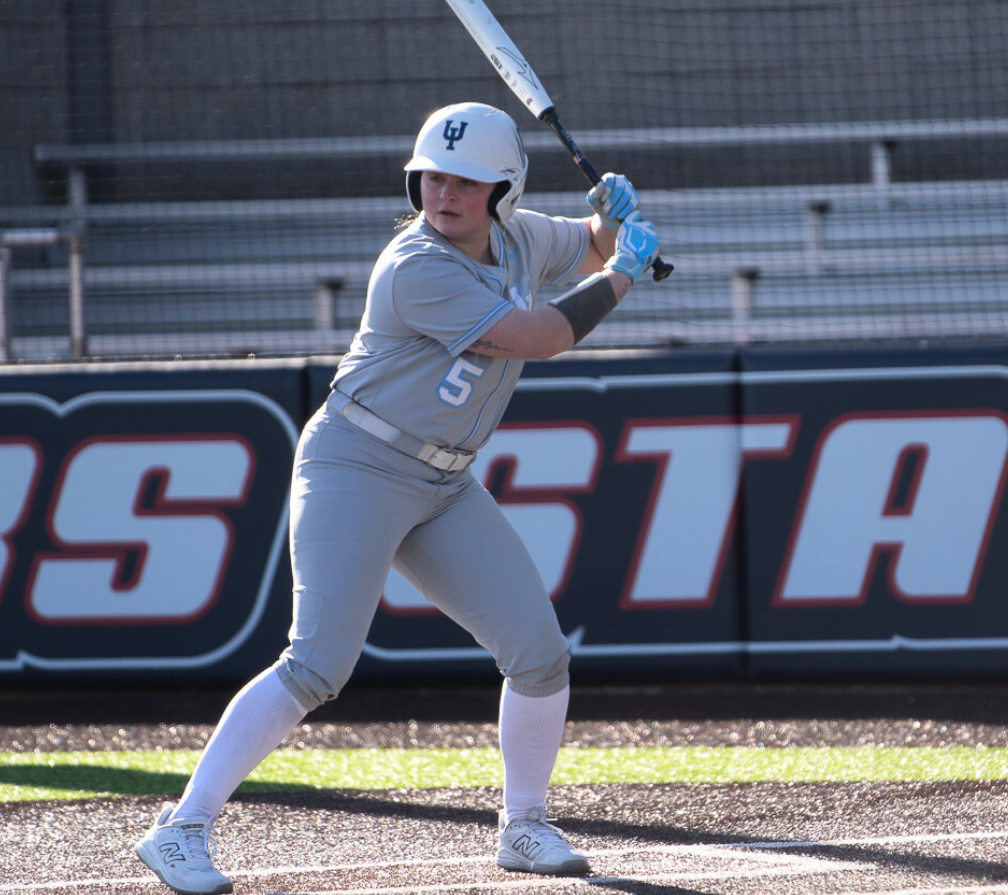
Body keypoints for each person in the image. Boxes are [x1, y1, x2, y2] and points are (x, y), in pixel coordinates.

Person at [133, 101, 661, 895]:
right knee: (315, 665)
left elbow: (587, 250)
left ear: (503, 192)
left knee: (540, 655)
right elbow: (537, 336)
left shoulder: (520, 237)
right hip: (358, 464)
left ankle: (523, 826)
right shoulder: (415, 265)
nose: (443, 194)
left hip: (444, 481)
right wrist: (624, 274)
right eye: (432, 177)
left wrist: (609, 222)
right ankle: (181, 830)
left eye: (465, 182)